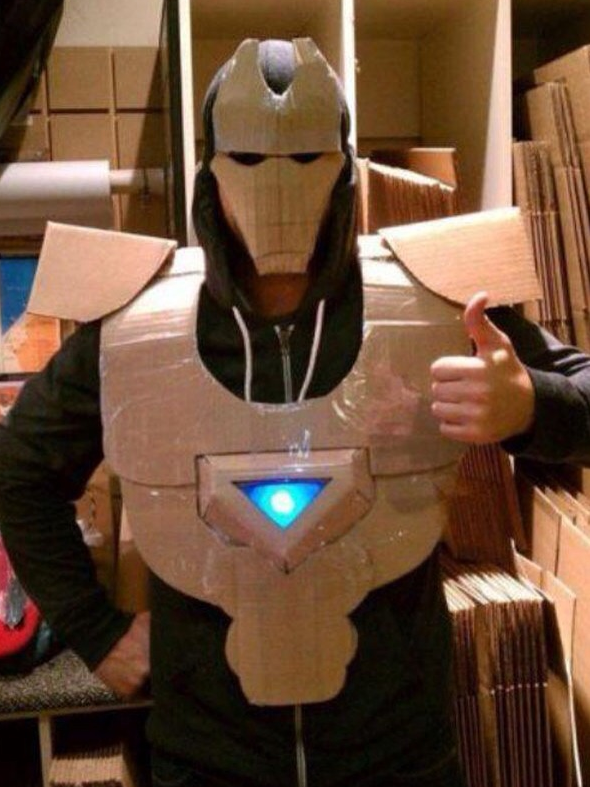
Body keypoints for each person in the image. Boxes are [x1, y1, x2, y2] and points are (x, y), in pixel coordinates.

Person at [1, 38, 590, 787]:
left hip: (396, 754)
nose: (278, 183)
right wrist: (97, 632)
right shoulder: (140, 323)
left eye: (306, 157)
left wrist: (531, 403)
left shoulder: (431, 298)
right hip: (211, 758)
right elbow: (19, 468)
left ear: (343, 166)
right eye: (249, 158)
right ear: (212, 169)